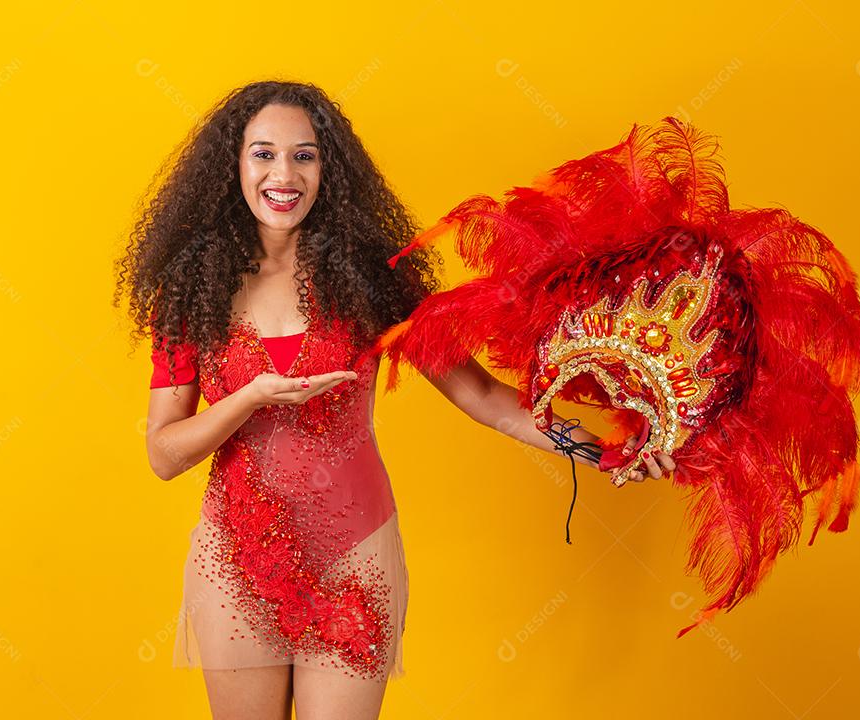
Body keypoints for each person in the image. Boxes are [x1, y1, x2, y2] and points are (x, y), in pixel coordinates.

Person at [114, 80, 674, 720]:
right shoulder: (192, 294)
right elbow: (164, 453)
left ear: (330, 169)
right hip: (237, 563)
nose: (284, 174)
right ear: (232, 164)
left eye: (305, 155)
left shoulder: (371, 280)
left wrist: (597, 446)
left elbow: (486, 397)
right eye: (263, 153)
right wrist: (250, 397)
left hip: (356, 554)